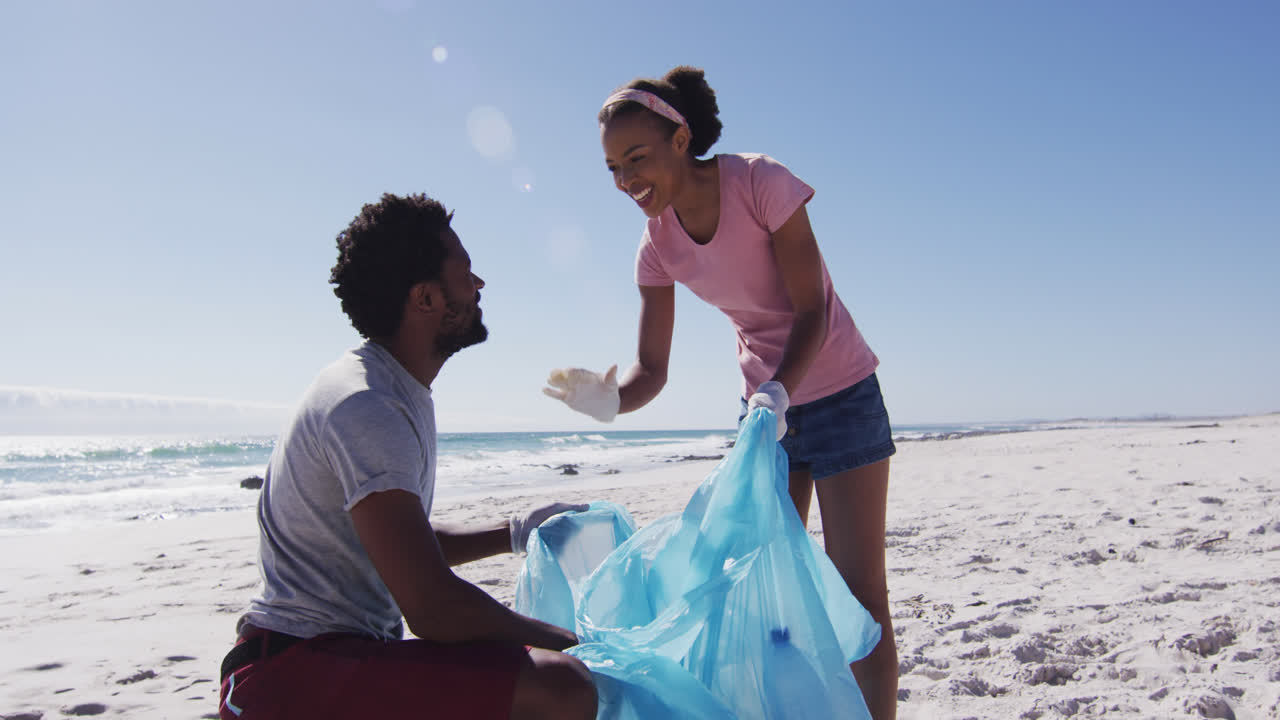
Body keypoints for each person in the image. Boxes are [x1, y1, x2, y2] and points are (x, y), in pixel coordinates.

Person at [542, 66, 898, 719]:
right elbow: (652, 371)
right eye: (613, 167)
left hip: (838, 391)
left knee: (858, 595)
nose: (625, 180)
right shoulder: (656, 248)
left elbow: (812, 310)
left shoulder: (760, 183)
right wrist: (609, 397)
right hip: (766, 416)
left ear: (680, 139)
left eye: (637, 157)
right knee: (764, 593)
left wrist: (779, 392)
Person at [219, 193, 597, 720]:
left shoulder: (391, 388)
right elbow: (432, 608)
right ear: (425, 299)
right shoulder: (368, 404)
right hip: (288, 674)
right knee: (563, 685)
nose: (480, 285)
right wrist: (572, 642)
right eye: (466, 272)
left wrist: (516, 531)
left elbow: (403, 547)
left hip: (340, 658)